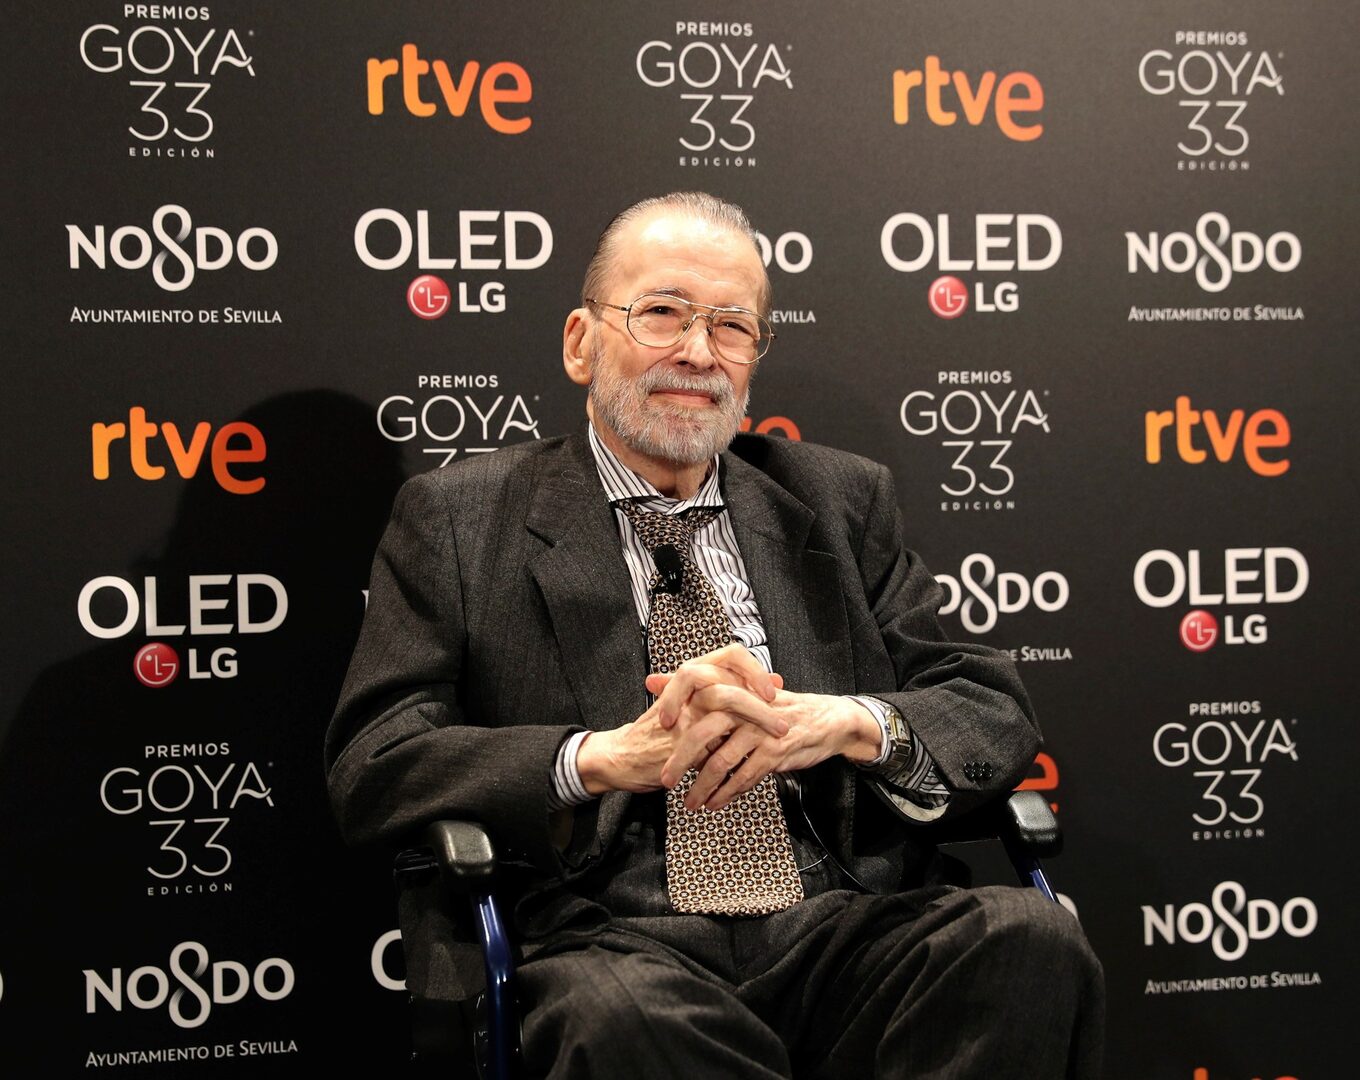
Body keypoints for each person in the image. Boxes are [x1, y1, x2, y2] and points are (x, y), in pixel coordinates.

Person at [326, 191, 1103, 1078]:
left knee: (1028, 939)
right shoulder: (460, 519)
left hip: (838, 921)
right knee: (620, 1019)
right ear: (581, 342)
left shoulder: (838, 500)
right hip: (606, 932)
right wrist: (599, 759)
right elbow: (376, 761)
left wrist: (847, 722)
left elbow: (987, 705)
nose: (699, 353)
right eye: (662, 312)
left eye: (733, 326)